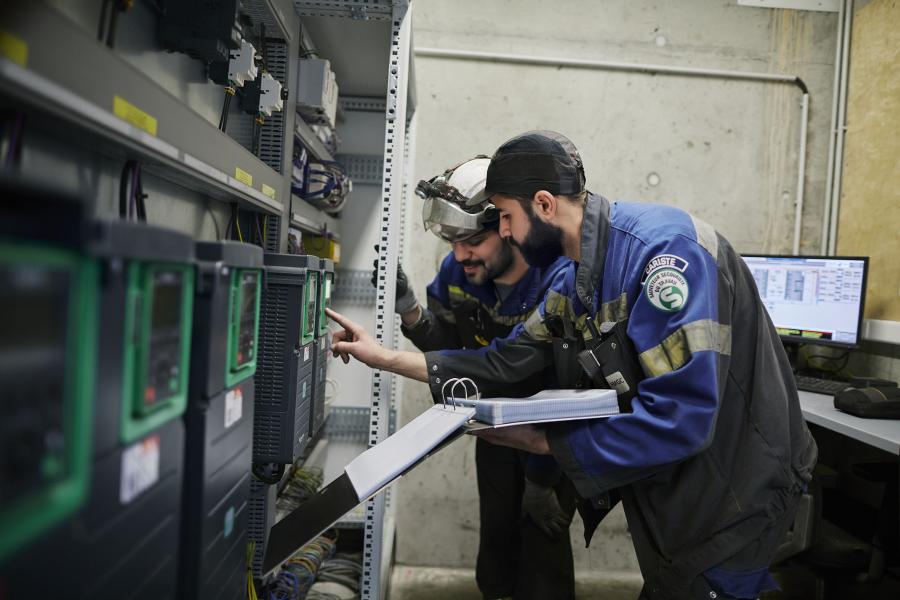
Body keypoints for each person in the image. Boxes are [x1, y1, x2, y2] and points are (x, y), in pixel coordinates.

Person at [328, 131, 817, 600]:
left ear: (543, 204)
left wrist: (543, 442)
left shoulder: (664, 255)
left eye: (505, 215)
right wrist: (384, 357)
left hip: (737, 488)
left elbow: (681, 418)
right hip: (678, 484)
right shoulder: (578, 282)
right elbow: (504, 360)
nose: (502, 230)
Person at [373, 156, 578, 600]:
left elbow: (568, 385)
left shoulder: (558, 277)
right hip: (495, 431)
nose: (460, 255)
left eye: (473, 242)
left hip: (551, 433)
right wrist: (410, 309)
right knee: (497, 543)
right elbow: (450, 350)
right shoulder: (458, 273)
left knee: (543, 552)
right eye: (453, 242)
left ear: (508, 227)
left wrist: (544, 477)